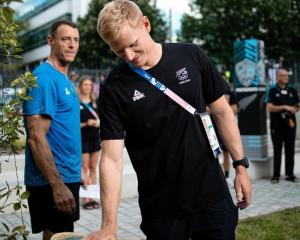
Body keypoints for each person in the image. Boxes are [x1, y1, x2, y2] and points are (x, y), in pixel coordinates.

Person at [86, 1, 252, 239]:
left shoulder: (191, 55)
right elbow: (111, 159)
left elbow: (222, 112)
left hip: (211, 198)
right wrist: (109, 226)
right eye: (119, 51)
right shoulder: (113, 88)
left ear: (146, 24)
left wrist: (240, 166)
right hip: (161, 211)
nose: (129, 56)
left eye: (133, 45)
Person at [23, 20, 81, 240]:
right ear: (51, 41)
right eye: (65, 39)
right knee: (59, 235)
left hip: (66, 175)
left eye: (75, 40)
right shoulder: (44, 78)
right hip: (53, 181)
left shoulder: (62, 78)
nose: (71, 45)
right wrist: (57, 185)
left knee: (58, 236)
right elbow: (36, 138)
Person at [265, 68, 299, 183]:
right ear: (278, 77)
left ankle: (290, 174)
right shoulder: (272, 90)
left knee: (290, 149)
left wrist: (294, 109)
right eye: (284, 75)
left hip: (290, 124)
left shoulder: (292, 90)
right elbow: (269, 108)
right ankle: (276, 175)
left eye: (287, 76)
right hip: (277, 125)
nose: (286, 77)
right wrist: (284, 107)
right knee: (277, 150)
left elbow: (297, 105)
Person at [77, 75, 101, 210]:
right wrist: (87, 123)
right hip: (83, 139)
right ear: (80, 86)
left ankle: (93, 196)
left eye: (90, 85)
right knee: (84, 168)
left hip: (95, 138)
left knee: (93, 168)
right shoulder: (77, 103)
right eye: (85, 84)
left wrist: (98, 123)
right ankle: (86, 198)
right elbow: (74, 125)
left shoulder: (95, 102)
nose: (87, 87)